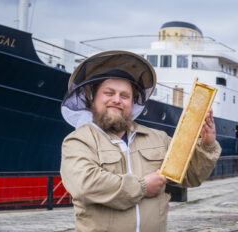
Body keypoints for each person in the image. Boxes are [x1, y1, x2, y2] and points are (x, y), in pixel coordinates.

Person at [60, 50, 221, 232]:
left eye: (124, 95)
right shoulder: (78, 141)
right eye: (109, 93)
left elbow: (191, 176)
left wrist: (207, 145)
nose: (116, 100)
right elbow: (85, 184)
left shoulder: (157, 138)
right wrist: (142, 187)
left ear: (133, 102)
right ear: (92, 98)